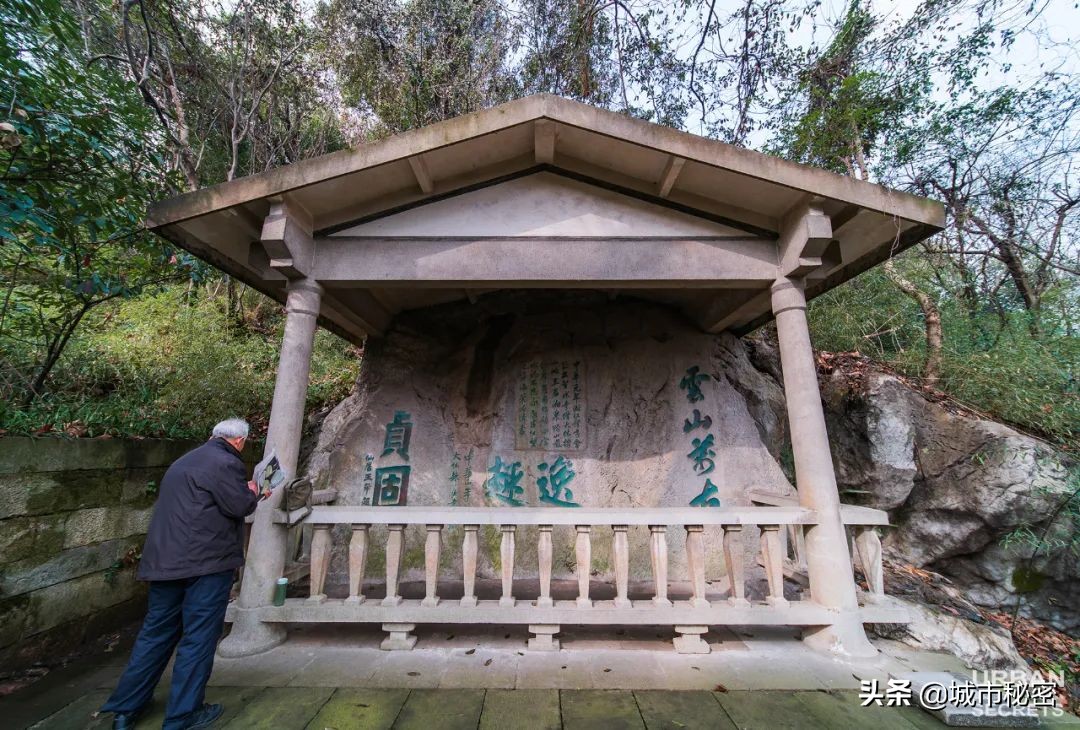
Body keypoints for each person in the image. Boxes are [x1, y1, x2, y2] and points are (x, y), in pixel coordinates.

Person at [102, 418, 264, 730]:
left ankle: (125, 710)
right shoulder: (225, 462)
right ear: (240, 441)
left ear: (213, 435)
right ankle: (182, 715)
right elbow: (240, 505)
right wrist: (255, 492)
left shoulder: (184, 461)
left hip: (164, 563)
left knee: (155, 633)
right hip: (204, 564)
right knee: (198, 636)